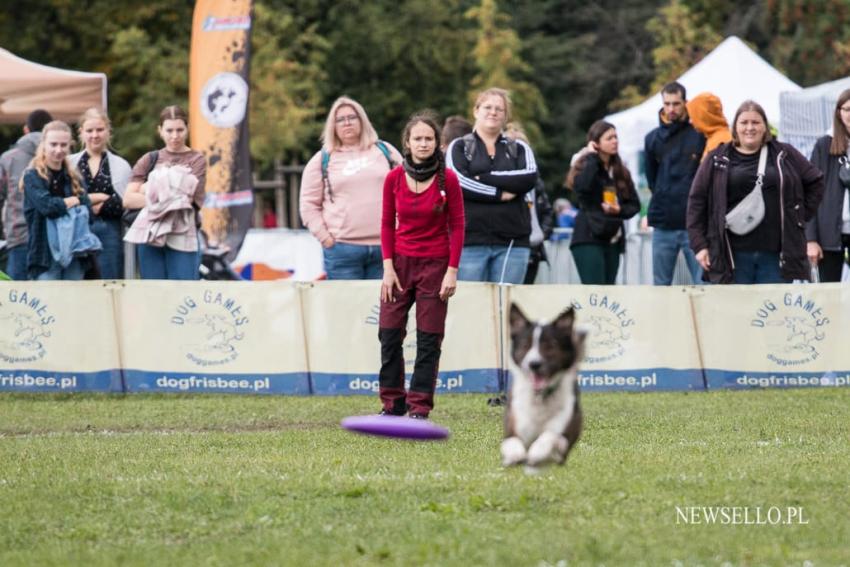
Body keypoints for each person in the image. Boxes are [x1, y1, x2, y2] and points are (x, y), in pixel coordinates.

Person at [378, 111, 464, 419]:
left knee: (429, 339)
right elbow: (387, 224)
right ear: (408, 142)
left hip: (436, 266)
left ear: (437, 143)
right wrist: (388, 268)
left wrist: (451, 271)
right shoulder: (393, 178)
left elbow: (458, 226)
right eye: (418, 138)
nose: (423, 143)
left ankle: (419, 407)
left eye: (429, 138)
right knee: (389, 335)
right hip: (399, 265)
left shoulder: (449, 179)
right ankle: (392, 403)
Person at [687, 100, 824, 284]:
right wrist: (700, 245)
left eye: (755, 122)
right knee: (737, 311)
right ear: (735, 127)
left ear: (764, 127)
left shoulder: (784, 153)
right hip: (731, 256)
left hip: (775, 256)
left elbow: (816, 180)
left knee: (772, 311)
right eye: (744, 123)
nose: (750, 128)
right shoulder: (717, 158)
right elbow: (697, 201)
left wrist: (798, 216)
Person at [299, 96, 401, 280]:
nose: (347, 123)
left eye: (352, 117)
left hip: (386, 248)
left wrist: (401, 229)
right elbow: (308, 205)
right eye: (340, 119)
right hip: (342, 251)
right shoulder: (322, 159)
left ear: (362, 121)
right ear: (333, 126)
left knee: (384, 308)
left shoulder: (386, 151)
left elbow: (407, 192)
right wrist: (326, 239)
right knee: (347, 308)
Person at [446, 87, 538, 283]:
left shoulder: (520, 148)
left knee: (507, 308)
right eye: (488, 107)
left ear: (505, 116)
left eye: (499, 109)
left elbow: (529, 178)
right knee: (472, 307)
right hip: (470, 242)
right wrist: (498, 194)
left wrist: (483, 177)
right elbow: (458, 182)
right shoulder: (459, 147)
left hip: (513, 243)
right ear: (476, 111)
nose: (493, 112)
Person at [123, 105, 206, 280]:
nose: (174, 136)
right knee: (154, 293)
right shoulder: (149, 159)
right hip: (150, 235)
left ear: (187, 129)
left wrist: (148, 188)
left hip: (183, 234)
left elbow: (189, 201)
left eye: (179, 130)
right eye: (169, 130)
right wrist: (173, 187)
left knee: (183, 294)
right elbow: (128, 199)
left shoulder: (197, 160)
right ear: (160, 131)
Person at [644, 81, 706, 285]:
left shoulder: (699, 135)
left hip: (694, 224)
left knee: (704, 285)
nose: (671, 109)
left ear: (685, 103)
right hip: (663, 223)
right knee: (661, 286)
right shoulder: (652, 138)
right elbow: (652, 179)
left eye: (676, 104)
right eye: (667, 103)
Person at [22, 121, 99, 280]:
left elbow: (89, 212)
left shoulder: (74, 176)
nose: (59, 150)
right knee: (47, 303)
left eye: (64, 145)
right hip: (45, 256)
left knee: (73, 303)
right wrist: (72, 201)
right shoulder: (32, 176)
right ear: (43, 144)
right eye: (53, 144)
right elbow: (48, 207)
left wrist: (71, 203)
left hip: (75, 253)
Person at [567, 120, 641, 285]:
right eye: (609, 138)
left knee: (609, 293)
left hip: (613, 238)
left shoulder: (620, 171)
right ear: (596, 143)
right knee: (595, 293)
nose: (615, 141)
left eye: (616, 137)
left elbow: (634, 205)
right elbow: (583, 187)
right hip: (588, 237)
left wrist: (618, 209)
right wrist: (592, 156)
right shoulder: (583, 164)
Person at [69, 108, 132, 279]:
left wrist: (98, 205)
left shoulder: (121, 166)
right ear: (81, 133)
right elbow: (63, 200)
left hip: (110, 232)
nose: (95, 135)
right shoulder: (69, 163)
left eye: (99, 130)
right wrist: (101, 198)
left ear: (108, 132)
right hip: (75, 231)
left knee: (109, 283)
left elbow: (127, 203)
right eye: (90, 130)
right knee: (77, 284)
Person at [0, 109, 53, 279]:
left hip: (19, 235)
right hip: (54, 239)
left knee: (17, 297)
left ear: (25, 129)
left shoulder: (8, 159)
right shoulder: (62, 155)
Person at [806, 88, 850, 282]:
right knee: (828, 298)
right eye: (848, 109)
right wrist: (811, 239)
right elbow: (810, 194)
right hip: (828, 236)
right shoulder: (824, 146)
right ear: (839, 112)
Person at [687, 92, 732, 160]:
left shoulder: (719, 142)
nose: (690, 121)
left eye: (694, 116)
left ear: (704, 116)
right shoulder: (716, 137)